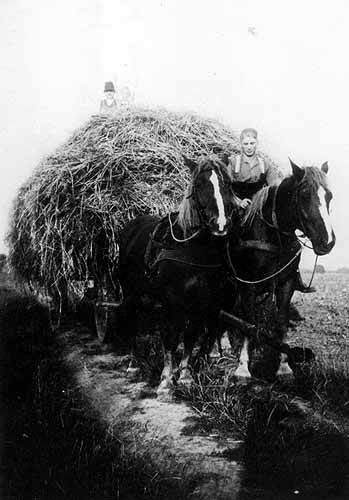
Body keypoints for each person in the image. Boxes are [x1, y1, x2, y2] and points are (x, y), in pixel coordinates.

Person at [228, 127, 315, 294]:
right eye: (245, 143)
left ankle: (293, 276)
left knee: (290, 240)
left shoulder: (264, 164)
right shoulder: (233, 163)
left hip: (258, 208)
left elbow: (274, 187)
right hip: (238, 206)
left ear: (257, 143)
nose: (249, 147)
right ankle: (226, 272)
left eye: (252, 143)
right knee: (227, 234)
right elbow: (226, 188)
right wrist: (238, 202)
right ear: (240, 144)